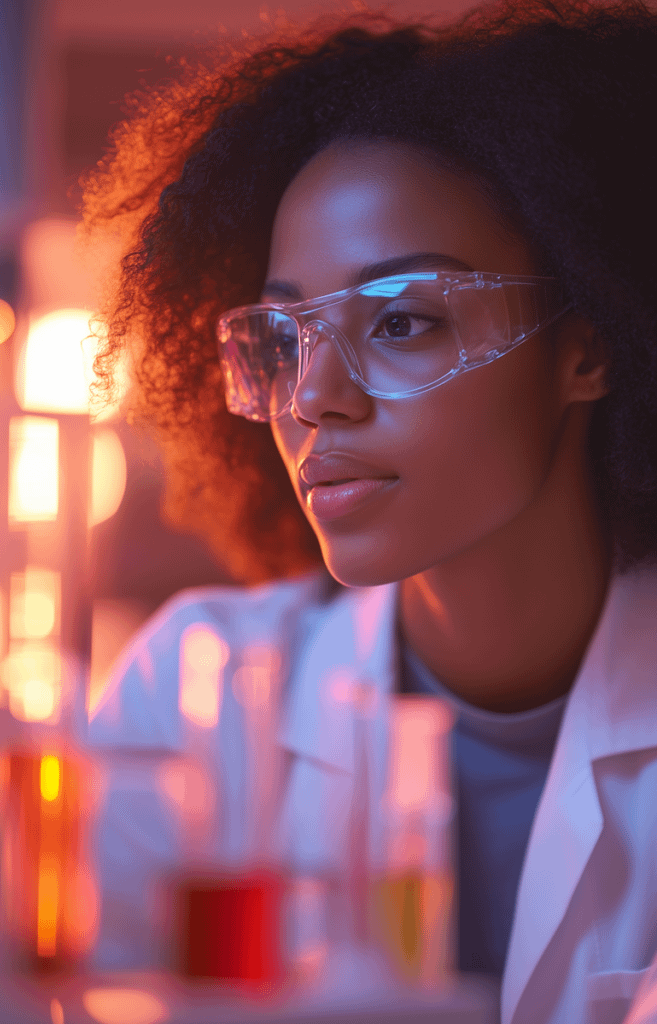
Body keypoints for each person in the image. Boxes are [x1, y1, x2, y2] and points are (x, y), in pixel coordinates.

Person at [79, 2, 657, 1022]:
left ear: (591, 343)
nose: (311, 397)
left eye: (400, 319)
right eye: (281, 336)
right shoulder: (192, 697)